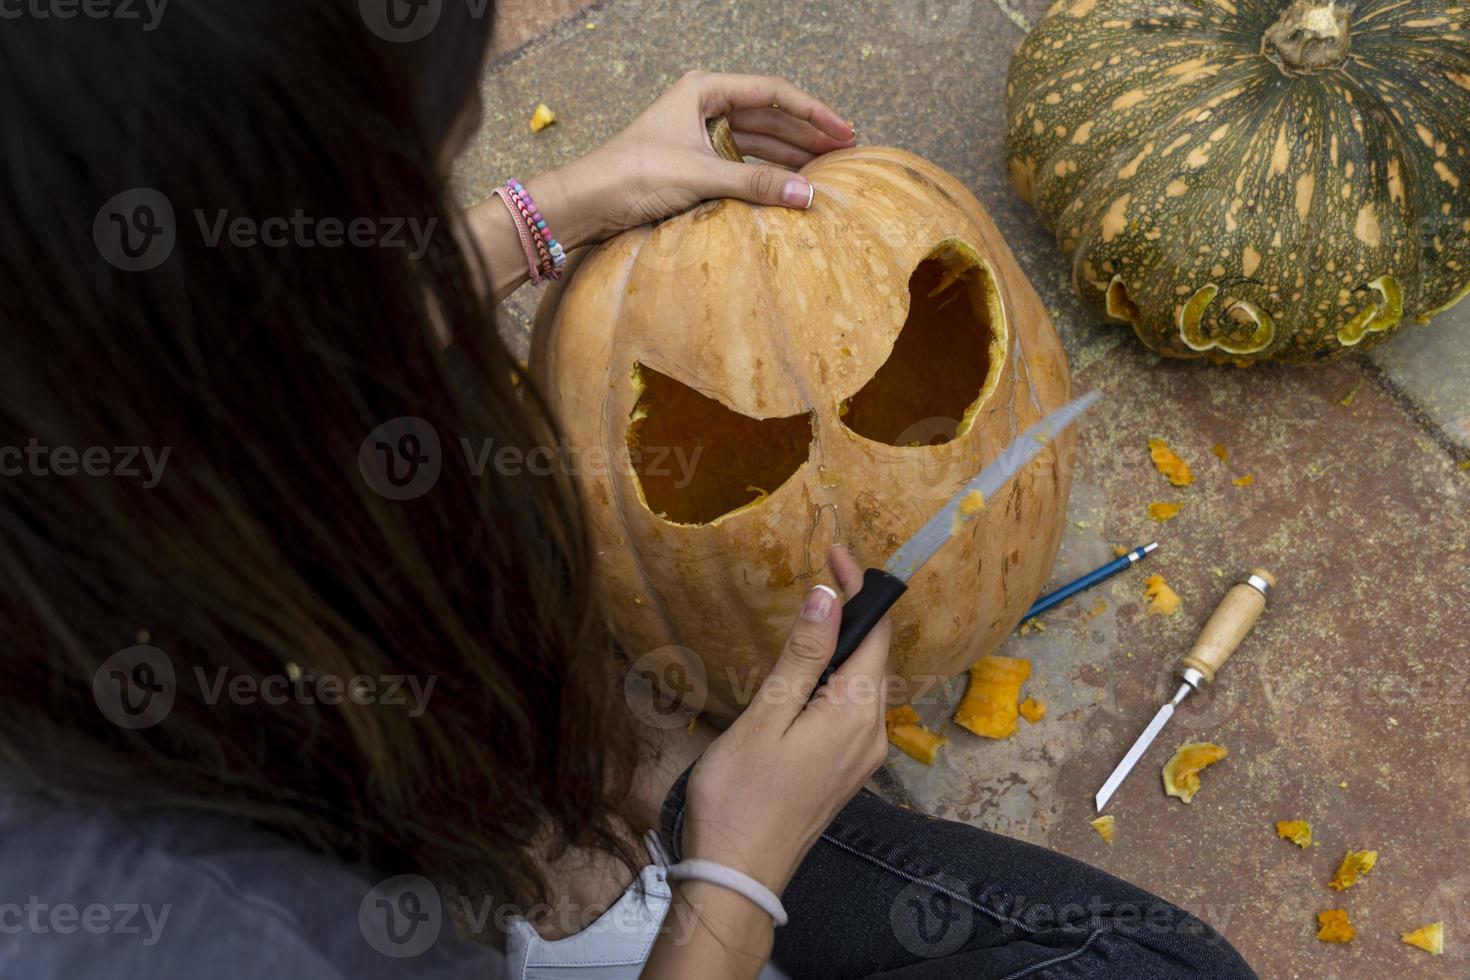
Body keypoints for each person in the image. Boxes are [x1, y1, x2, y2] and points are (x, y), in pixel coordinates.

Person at [0, 2, 1258, 978]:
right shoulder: (219, 934)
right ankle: (679, 807)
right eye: (424, 173)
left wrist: (547, 212)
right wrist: (734, 881)